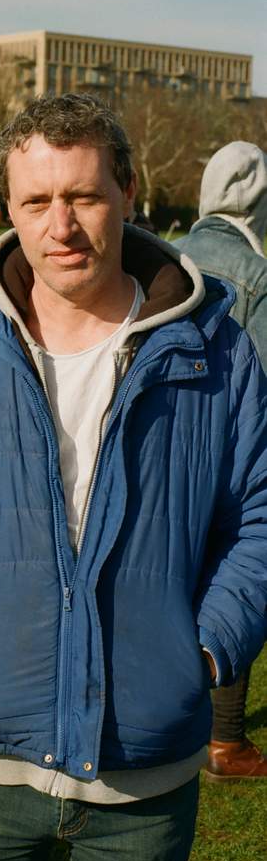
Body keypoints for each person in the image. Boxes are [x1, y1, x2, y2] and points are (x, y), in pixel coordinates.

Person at [0, 94, 267, 861]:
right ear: (9, 208)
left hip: (143, 762)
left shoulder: (216, 351)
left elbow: (256, 517)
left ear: (126, 189)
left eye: (83, 196)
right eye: (36, 201)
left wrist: (202, 653)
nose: (62, 225)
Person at [175, 140, 267, 782]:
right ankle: (226, 741)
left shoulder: (169, 254)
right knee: (239, 579)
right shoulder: (255, 272)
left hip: (165, 449)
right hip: (235, 449)